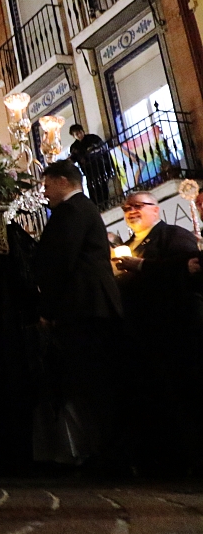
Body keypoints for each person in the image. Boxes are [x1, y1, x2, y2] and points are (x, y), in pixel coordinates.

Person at [32, 160, 126, 469]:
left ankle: (101, 454)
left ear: (62, 181)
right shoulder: (83, 209)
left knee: (89, 382)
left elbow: (60, 262)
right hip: (92, 306)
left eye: (46, 185)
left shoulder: (70, 212)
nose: (44, 192)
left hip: (84, 308)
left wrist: (46, 311)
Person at [113, 191, 203, 470]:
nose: (131, 211)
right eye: (127, 207)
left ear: (155, 209)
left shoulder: (171, 235)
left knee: (185, 396)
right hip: (141, 331)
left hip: (174, 327)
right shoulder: (126, 245)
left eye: (138, 206)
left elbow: (188, 268)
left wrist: (140, 266)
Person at [68, 124, 110, 207]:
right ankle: (97, 205)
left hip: (99, 166)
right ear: (73, 136)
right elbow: (74, 158)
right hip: (87, 170)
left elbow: (102, 147)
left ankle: (105, 203)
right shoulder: (74, 147)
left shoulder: (93, 138)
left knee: (102, 185)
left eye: (80, 132)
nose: (79, 135)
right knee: (91, 187)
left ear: (83, 131)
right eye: (76, 134)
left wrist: (91, 151)